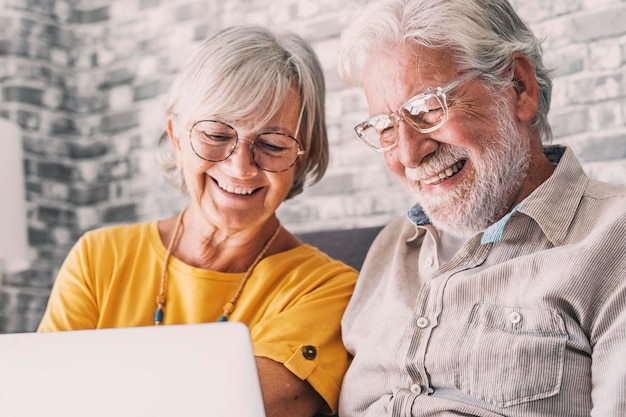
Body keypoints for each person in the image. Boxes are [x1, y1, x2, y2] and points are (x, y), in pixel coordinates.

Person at [38, 25, 357, 417]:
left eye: (273, 144)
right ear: (176, 136)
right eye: (217, 134)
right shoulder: (98, 257)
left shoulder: (329, 289)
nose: (241, 167)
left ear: (302, 159)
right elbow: (44, 399)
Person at [336, 0, 626, 416]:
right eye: (384, 126)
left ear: (519, 87)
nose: (408, 153)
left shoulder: (614, 239)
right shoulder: (392, 247)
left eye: (427, 109)